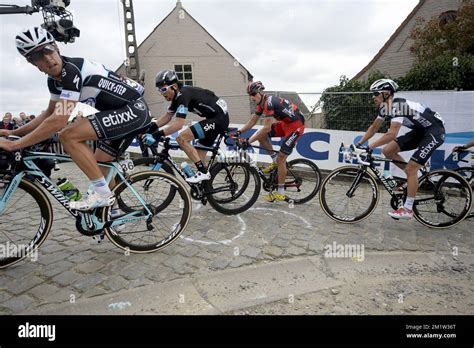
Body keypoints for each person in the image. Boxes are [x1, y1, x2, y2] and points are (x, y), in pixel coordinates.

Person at [0, 26, 150, 210]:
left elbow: (59, 121)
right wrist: (14, 132)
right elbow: (49, 113)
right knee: (99, 169)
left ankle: (103, 196)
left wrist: (15, 144)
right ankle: (115, 214)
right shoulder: (54, 81)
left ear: (57, 48)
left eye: (48, 49)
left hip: (133, 110)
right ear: (32, 63)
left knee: (68, 135)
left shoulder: (71, 72)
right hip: (121, 112)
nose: (48, 58)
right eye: (39, 55)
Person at [357, 79, 445, 220]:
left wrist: (369, 146)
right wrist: (359, 143)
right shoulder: (385, 107)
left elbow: (391, 134)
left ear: (386, 93)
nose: (373, 97)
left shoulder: (398, 105)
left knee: (411, 169)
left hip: (434, 132)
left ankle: (408, 209)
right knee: (388, 151)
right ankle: (410, 180)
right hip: (420, 131)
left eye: (375, 93)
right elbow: (374, 128)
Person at [142, 69, 230, 183]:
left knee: (181, 138)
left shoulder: (183, 96)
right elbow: (167, 117)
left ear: (173, 86)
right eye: (159, 90)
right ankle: (206, 186)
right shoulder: (177, 97)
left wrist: (156, 135)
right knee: (198, 156)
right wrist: (150, 129)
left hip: (218, 120)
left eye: (163, 89)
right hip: (214, 118)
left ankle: (203, 173)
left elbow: (179, 125)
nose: (161, 93)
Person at [235, 81, 305, 202]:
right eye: (250, 95)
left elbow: (267, 127)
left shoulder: (269, 102)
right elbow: (252, 122)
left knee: (282, 157)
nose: (251, 97)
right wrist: (239, 132)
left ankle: (281, 192)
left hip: (296, 126)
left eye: (253, 94)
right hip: (285, 124)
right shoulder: (261, 104)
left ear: (261, 92)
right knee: (262, 136)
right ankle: (274, 161)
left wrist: (249, 141)